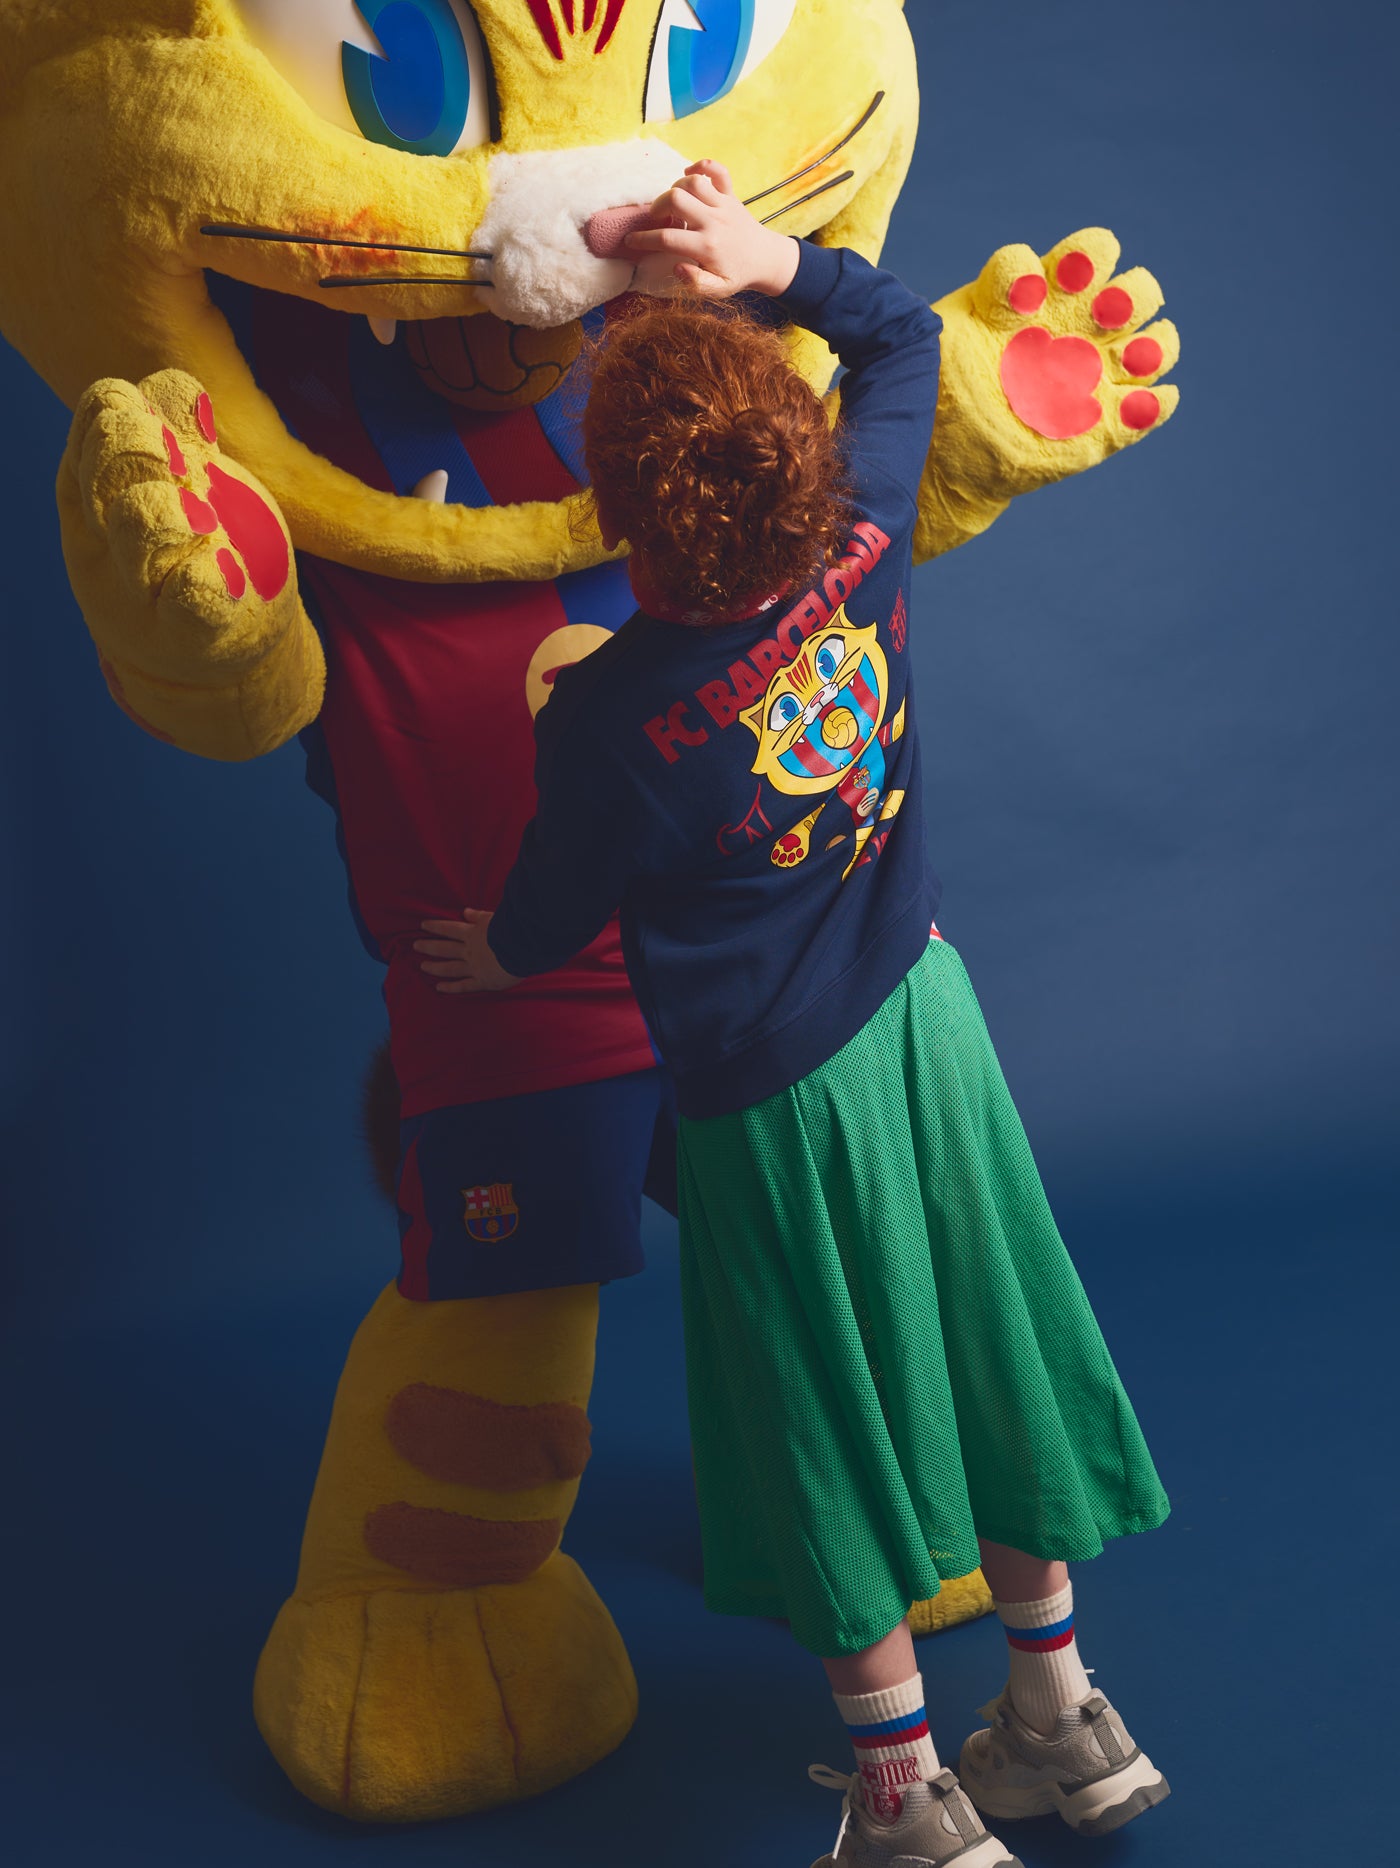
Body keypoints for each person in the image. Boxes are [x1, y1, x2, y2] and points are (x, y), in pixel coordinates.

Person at [414, 161, 1172, 1868]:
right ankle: (1062, 1715)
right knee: (988, 1337)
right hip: (928, 1018)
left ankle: (909, 1800)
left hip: (772, 1097)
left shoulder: (607, 717)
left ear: (623, 520)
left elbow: (549, 910)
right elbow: (898, 335)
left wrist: (491, 959)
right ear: (807, 460)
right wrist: (772, 262)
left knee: (810, 1412)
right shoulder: (866, 533)